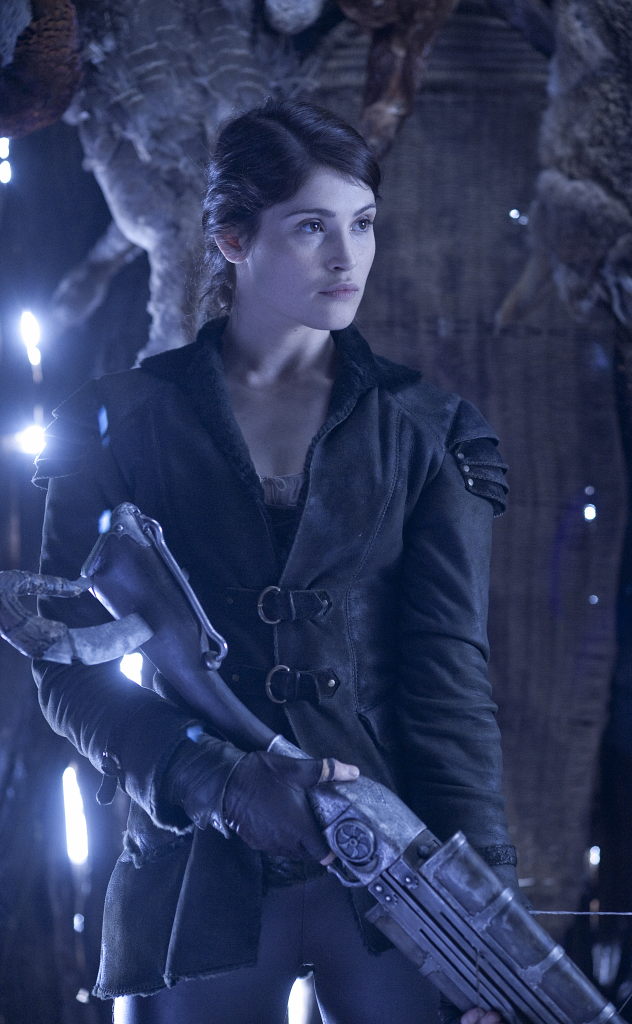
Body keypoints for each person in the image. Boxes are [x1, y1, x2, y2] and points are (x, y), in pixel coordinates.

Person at [33, 99, 516, 1024]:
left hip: (394, 880)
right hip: (192, 876)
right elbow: (66, 672)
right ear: (231, 240)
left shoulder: (428, 429)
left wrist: (486, 922)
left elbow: (448, 685)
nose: (346, 258)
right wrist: (212, 780)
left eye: (361, 224)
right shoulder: (120, 420)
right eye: (309, 228)